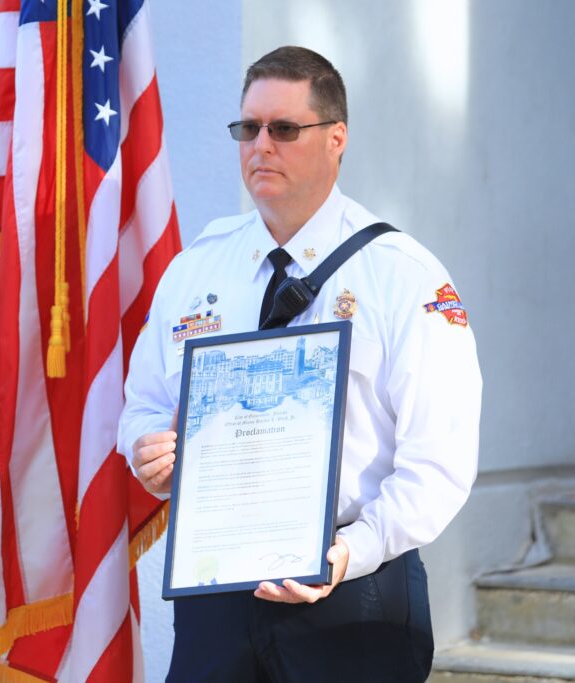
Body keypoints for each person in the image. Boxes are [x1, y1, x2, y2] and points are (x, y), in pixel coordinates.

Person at [118, 46, 481, 682]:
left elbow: (440, 463)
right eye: (247, 128)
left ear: (335, 138)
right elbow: (143, 402)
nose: (261, 145)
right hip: (216, 589)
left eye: (284, 129)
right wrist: (145, 447)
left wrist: (348, 553)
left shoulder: (403, 276)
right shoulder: (196, 267)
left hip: (351, 589)